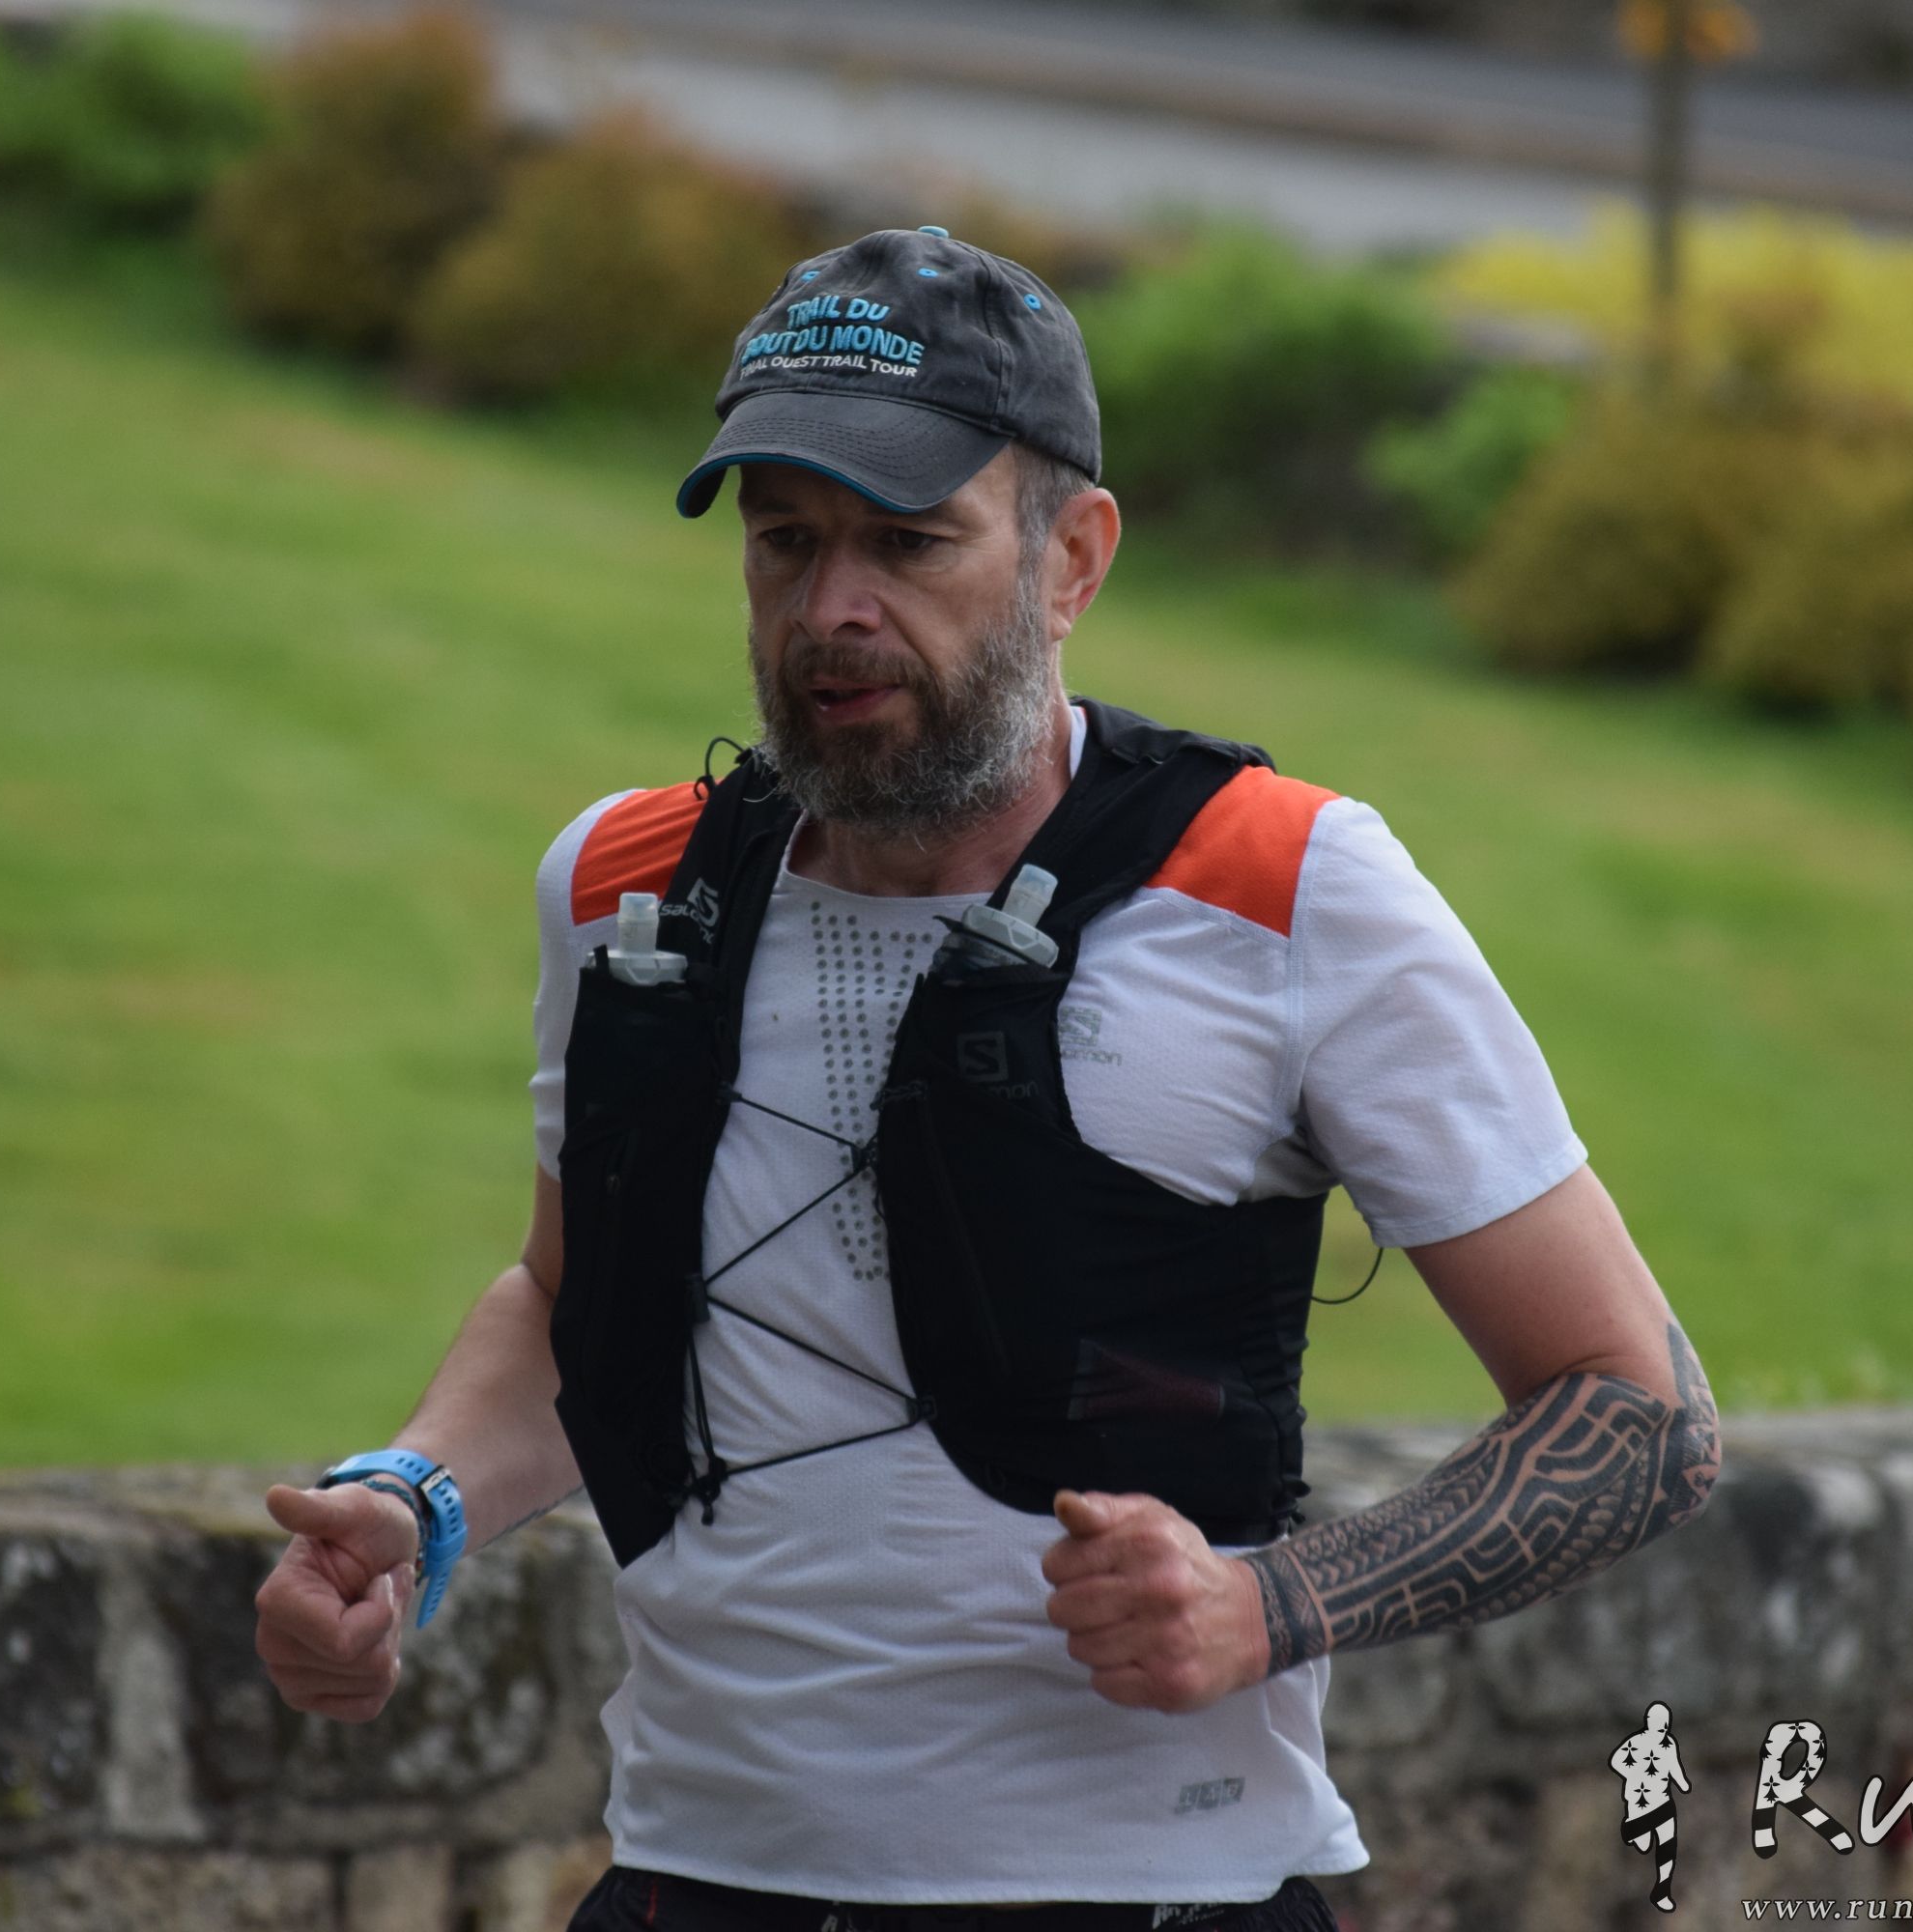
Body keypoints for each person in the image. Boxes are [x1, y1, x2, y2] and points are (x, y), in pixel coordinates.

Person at [251, 226, 1721, 1928]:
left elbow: (1640, 1415)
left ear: (1070, 557)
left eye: (907, 540)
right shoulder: (625, 888)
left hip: (1158, 1896)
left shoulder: (1287, 887)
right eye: (785, 541)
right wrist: (416, 1499)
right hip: (692, 1882)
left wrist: (1275, 1604)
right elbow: (575, 1305)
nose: (831, 610)